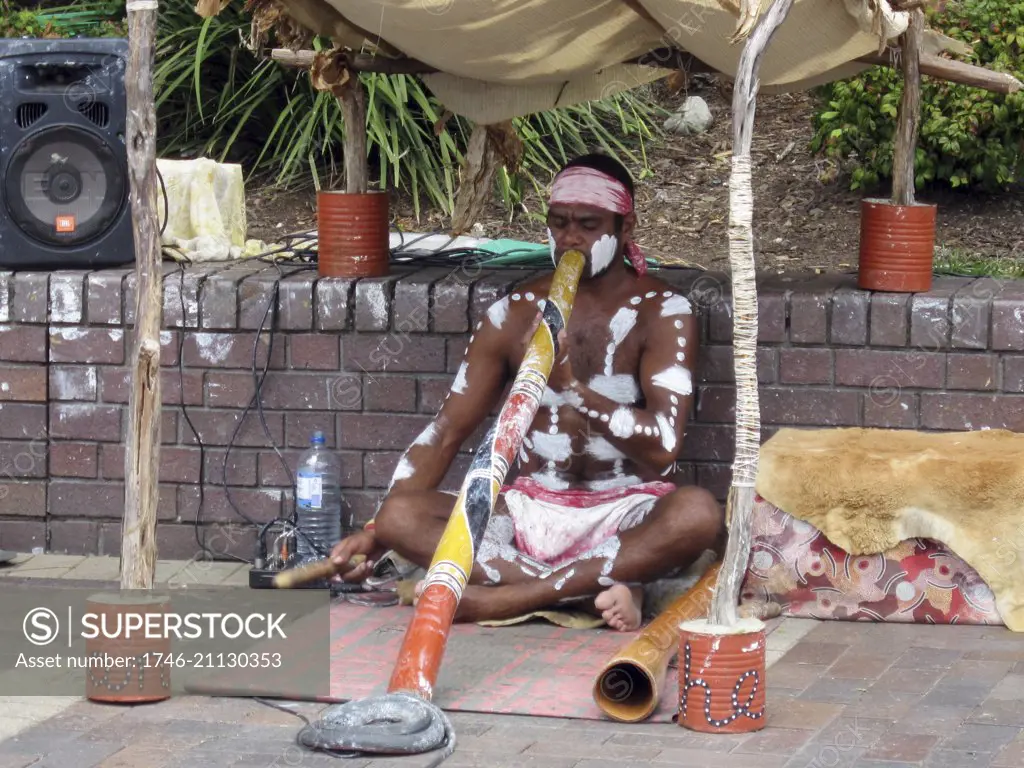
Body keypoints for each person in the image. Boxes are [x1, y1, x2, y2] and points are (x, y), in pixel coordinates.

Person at [329, 153, 723, 631]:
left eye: (588, 224)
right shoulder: (514, 313)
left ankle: (505, 600)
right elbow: (448, 429)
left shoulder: (663, 311)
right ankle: (583, 592)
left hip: (626, 509)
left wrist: (572, 390)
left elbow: (663, 447)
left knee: (698, 514)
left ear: (627, 227)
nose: (571, 238)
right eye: (558, 224)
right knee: (400, 516)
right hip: (527, 511)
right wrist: (376, 535)